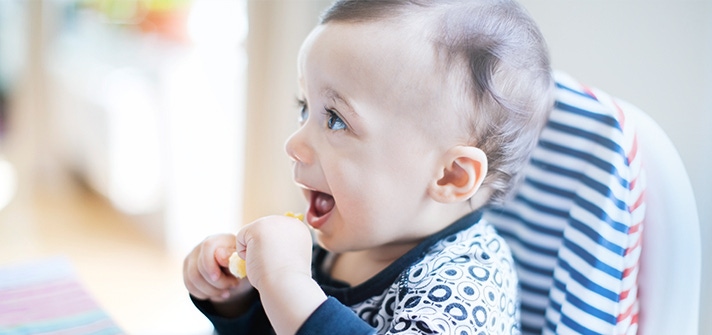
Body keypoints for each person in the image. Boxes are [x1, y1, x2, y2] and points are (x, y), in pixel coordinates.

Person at [182, 0, 553, 334]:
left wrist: (286, 282)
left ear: (450, 175)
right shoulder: (357, 232)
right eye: (304, 108)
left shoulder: (467, 289)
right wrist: (243, 297)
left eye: (336, 120)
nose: (293, 145)